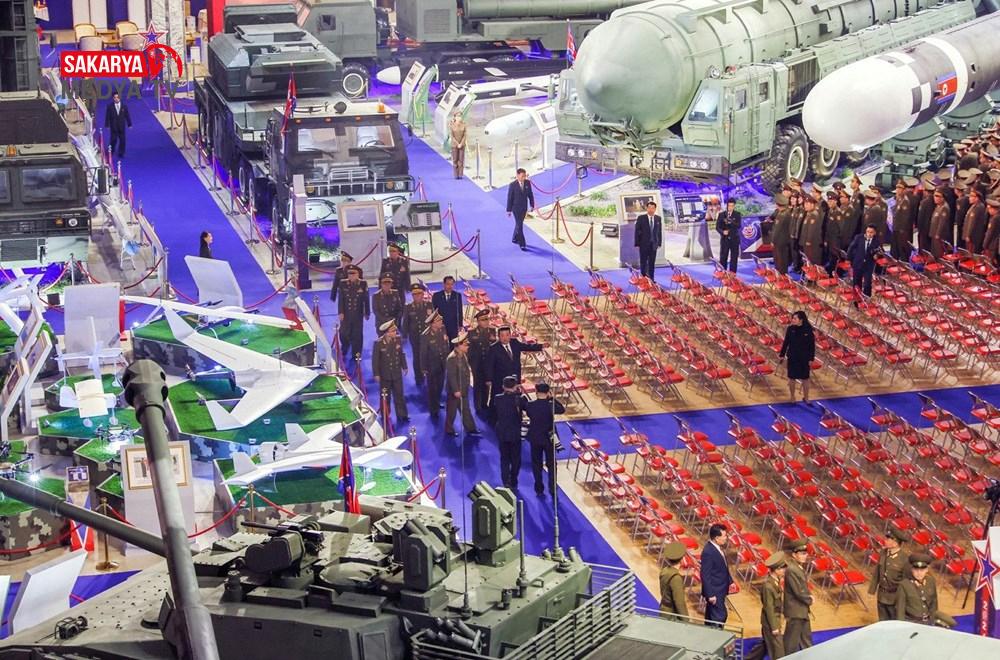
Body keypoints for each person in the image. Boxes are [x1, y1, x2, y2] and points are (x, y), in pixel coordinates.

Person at [521, 382, 565, 496]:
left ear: (536, 392)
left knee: (536, 464)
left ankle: (539, 487)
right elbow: (562, 409)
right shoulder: (551, 406)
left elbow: (527, 412)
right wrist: (552, 398)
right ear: (548, 392)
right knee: (552, 464)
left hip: (535, 437)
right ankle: (552, 488)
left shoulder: (530, 405)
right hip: (549, 438)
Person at [485, 326, 543, 410]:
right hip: (499, 379)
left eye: (507, 335)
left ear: (510, 335)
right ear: (499, 336)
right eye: (502, 335)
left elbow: (526, 347)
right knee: (496, 399)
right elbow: (489, 365)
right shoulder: (493, 348)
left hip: (515, 378)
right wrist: (488, 379)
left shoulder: (515, 342)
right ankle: (493, 414)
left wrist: (541, 346)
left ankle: (514, 414)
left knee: (515, 400)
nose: (505, 338)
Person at [745, 552, 787, 660]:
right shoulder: (768, 586)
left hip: (774, 620)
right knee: (778, 652)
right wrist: (774, 627)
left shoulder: (775, 582)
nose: (784, 571)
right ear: (776, 570)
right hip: (770, 623)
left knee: (765, 645)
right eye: (782, 568)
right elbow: (769, 608)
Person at [896, 553, 956, 628]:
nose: (919, 573)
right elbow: (900, 610)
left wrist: (932, 620)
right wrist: (901, 627)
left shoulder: (930, 581)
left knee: (951, 623)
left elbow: (934, 602)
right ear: (912, 570)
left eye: (922, 570)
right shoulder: (904, 585)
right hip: (912, 622)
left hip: (928, 621)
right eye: (916, 570)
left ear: (927, 570)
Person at [868, 528, 911, 622]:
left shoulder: (904, 559)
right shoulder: (883, 553)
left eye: (888, 539)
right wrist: (872, 589)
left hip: (895, 598)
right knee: (882, 621)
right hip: (881, 595)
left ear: (895, 543)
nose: (885, 541)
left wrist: (904, 599)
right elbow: (877, 572)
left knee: (894, 622)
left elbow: (906, 581)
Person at [371, 320, 408, 424]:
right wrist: (376, 374)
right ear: (387, 333)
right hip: (385, 374)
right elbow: (375, 360)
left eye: (395, 331)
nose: (395, 333)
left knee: (399, 395)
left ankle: (402, 415)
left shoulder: (397, 340)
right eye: (392, 331)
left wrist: (404, 366)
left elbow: (401, 354)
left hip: (396, 373)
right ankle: (385, 414)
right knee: (385, 397)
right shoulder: (378, 343)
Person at [444, 332, 479, 436]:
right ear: (459, 345)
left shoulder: (462, 355)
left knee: (466, 410)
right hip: (455, 391)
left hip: (463, 388)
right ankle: (449, 429)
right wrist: (456, 390)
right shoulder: (452, 358)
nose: (468, 346)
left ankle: (471, 428)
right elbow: (452, 376)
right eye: (465, 345)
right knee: (451, 411)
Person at [778, 311, 816, 404]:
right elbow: (786, 343)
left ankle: (806, 398)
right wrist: (782, 355)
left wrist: (811, 358)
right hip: (792, 357)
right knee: (792, 378)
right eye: (792, 318)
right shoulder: (790, 329)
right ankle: (792, 397)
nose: (793, 320)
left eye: (795, 318)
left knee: (805, 379)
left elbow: (812, 346)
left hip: (804, 358)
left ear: (801, 320)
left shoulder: (808, 330)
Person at [783, 540, 813, 653]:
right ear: (794, 555)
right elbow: (798, 591)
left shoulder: (797, 568)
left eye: (805, 553)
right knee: (791, 644)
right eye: (802, 554)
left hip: (801, 611)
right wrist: (809, 599)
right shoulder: (792, 569)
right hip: (795, 612)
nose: (805, 556)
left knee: (806, 641)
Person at [494, 376, 524, 489]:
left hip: (502, 432)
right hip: (515, 433)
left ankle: (505, 481)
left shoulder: (497, 398)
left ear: (503, 386)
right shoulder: (519, 399)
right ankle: (513, 479)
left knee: (504, 458)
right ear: (515, 386)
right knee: (516, 459)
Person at [699, 523, 732, 627]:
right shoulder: (708, 552)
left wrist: (730, 581)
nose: (726, 538)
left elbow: (722, 567)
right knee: (720, 617)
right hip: (715, 592)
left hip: (720, 589)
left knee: (711, 617)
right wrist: (710, 594)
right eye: (725, 536)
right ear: (717, 538)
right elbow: (705, 575)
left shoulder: (717, 548)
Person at [420, 310, 450, 420]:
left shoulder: (442, 329)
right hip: (431, 366)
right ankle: (433, 409)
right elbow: (423, 353)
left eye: (441, 320)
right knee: (432, 388)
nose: (441, 322)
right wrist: (423, 368)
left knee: (440, 386)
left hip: (442, 363)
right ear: (432, 323)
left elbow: (446, 344)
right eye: (438, 321)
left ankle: (437, 403)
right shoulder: (425, 335)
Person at [337, 265, 369, 364]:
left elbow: (366, 299)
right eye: (349, 274)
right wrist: (340, 312)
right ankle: (344, 349)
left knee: (357, 334)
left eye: (353, 273)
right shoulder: (343, 283)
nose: (351, 276)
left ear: (358, 274)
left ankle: (356, 354)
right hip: (346, 314)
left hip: (357, 314)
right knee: (343, 333)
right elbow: (341, 299)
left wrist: (367, 312)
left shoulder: (363, 284)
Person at [467, 309, 495, 418]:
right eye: (483, 320)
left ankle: (484, 404)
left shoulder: (492, 331)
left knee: (487, 385)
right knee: (478, 385)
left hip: (488, 364)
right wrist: (472, 364)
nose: (486, 321)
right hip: (477, 364)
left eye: (487, 319)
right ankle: (477, 406)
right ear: (478, 321)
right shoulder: (472, 333)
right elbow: (470, 351)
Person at [402, 283, 432, 385]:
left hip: (427, 336)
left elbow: (432, 320)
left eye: (419, 294)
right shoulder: (408, 307)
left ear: (423, 294)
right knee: (417, 357)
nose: (417, 296)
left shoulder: (429, 305)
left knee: (428, 356)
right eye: (415, 294)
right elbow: (405, 322)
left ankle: (428, 375)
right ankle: (418, 377)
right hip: (415, 336)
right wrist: (404, 335)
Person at [506, 168, 536, 251]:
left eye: (525, 176)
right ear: (517, 175)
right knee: (520, 225)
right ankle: (522, 243)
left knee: (519, 224)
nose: (524, 178)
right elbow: (510, 198)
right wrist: (509, 210)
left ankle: (514, 238)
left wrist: (532, 205)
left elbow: (530, 194)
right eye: (522, 176)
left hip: (524, 208)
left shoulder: (527, 183)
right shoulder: (512, 185)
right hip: (515, 208)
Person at [847, 224, 881, 297]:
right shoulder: (859, 238)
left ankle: (866, 300)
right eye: (867, 232)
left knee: (867, 284)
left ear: (874, 233)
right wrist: (848, 259)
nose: (869, 234)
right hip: (858, 264)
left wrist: (877, 255)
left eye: (871, 232)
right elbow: (851, 248)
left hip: (868, 266)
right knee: (856, 283)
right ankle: (857, 299)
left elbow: (880, 251)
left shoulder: (877, 241)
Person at [658, 542, 689, 621]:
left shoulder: (664, 570)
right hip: (671, 615)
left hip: (663, 610)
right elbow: (679, 603)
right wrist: (686, 620)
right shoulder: (676, 578)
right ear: (682, 559)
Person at [634, 200, 663, 280]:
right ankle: (644, 279)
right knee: (643, 262)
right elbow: (637, 231)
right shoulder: (641, 218)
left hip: (653, 245)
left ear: (655, 209)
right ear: (647, 208)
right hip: (643, 244)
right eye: (649, 208)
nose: (651, 210)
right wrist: (637, 243)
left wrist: (659, 243)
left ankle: (651, 279)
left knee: (652, 263)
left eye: (653, 208)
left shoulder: (658, 218)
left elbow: (659, 231)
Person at [890, 178, 917, 261]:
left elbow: (906, 218)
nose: (898, 190)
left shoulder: (905, 201)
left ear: (904, 190)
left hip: (902, 230)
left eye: (900, 188)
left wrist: (902, 230)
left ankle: (904, 264)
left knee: (902, 249)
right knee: (895, 249)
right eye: (897, 188)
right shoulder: (899, 199)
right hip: (896, 228)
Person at [431, 275, 463, 341]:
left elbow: (460, 311)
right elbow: (434, 311)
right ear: (443, 284)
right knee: (441, 342)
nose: (450, 286)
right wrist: (435, 324)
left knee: (453, 343)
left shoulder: (457, 295)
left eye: (452, 284)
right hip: (441, 325)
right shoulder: (436, 296)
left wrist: (460, 324)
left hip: (453, 325)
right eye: (448, 284)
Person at [380, 243, 411, 307]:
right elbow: (381, 275)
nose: (391, 253)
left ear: (397, 252)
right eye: (390, 251)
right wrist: (380, 288)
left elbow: (407, 275)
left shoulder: (403, 261)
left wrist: (408, 287)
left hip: (400, 287)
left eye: (393, 251)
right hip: (389, 288)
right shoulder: (386, 262)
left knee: (401, 304)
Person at [716, 198, 742, 273]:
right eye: (729, 206)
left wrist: (731, 221)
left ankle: (732, 274)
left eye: (732, 206)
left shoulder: (737, 214)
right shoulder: (722, 215)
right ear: (727, 206)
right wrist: (722, 232)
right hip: (725, 239)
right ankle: (723, 273)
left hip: (734, 239)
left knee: (734, 258)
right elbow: (717, 227)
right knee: (723, 257)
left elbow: (739, 226)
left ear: (734, 206)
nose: (730, 207)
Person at [798, 194, 824, 267]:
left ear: (812, 205)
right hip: (807, 243)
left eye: (807, 204)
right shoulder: (809, 213)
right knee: (808, 261)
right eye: (804, 204)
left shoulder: (814, 215)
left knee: (813, 261)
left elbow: (811, 230)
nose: (805, 206)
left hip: (812, 244)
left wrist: (808, 241)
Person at [770, 194, 793, 275]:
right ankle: (780, 275)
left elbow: (777, 229)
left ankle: (782, 277)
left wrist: (773, 241)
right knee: (780, 260)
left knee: (781, 261)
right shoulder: (784, 213)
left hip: (780, 241)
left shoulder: (783, 215)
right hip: (783, 241)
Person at [104, 91, 132, 158]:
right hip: (114, 127)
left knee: (122, 140)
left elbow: (127, 115)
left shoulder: (124, 106)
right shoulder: (110, 107)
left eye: (117, 97)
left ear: (120, 98)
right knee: (113, 140)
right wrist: (107, 124)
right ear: (113, 98)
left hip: (121, 127)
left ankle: (121, 152)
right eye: (115, 97)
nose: (116, 99)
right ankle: (111, 151)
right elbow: (107, 116)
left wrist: (129, 124)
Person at [962, 187, 987, 253]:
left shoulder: (978, 207)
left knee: (971, 253)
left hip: (973, 236)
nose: (969, 198)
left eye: (971, 196)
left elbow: (972, 223)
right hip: (970, 235)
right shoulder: (974, 205)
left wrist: (968, 235)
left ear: (977, 198)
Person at [929, 187, 952, 258]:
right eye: (934, 195)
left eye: (937, 196)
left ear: (943, 198)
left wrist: (938, 234)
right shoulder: (938, 206)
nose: (935, 198)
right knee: (934, 252)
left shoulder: (944, 207)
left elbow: (942, 223)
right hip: (934, 233)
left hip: (940, 235)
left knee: (939, 253)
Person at [449, 112, 467, 179]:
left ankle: (460, 174)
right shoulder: (452, 125)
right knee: (455, 159)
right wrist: (457, 144)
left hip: (462, 145)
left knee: (461, 160)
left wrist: (461, 143)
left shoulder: (464, 124)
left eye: (460, 116)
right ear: (455, 117)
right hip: (454, 145)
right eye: (457, 116)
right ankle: (456, 174)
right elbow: (452, 136)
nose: (459, 117)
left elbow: (465, 135)